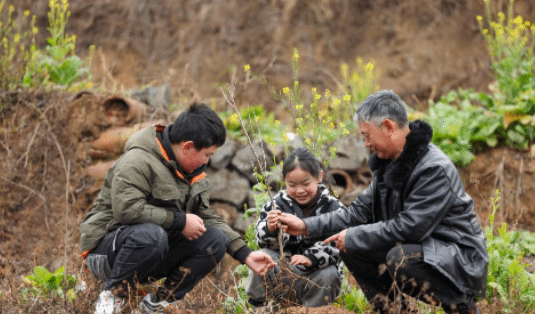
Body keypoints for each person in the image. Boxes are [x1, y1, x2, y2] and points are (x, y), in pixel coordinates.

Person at [276, 90, 487, 314]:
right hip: (426, 247)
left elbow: (410, 228)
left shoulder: (433, 169)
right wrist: (306, 226)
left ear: (388, 127)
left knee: (400, 257)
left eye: (367, 135)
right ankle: (394, 311)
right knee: (353, 248)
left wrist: (355, 235)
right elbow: (354, 214)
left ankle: (463, 308)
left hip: (458, 255)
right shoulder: (389, 165)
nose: (366, 144)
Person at [80, 103, 276, 314]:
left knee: (214, 239)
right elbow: (127, 210)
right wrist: (180, 220)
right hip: (106, 252)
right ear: (187, 147)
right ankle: (112, 297)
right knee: (152, 235)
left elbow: (207, 217)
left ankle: (158, 305)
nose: (207, 161)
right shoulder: (137, 161)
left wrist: (244, 254)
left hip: (151, 251)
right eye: (207, 154)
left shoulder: (191, 172)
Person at [246, 147, 344, 308]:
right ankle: (259, 307)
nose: (299, 191)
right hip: (283, 272)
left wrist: (312, 258)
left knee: (330, 273)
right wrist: (270, 229)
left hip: (315, 275)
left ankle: (313, 310)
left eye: (306, 184)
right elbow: (261, 242)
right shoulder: (275, 204)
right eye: (292, 184)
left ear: (319, 177)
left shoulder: (333, 207)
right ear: (284, 181)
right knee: (261, 256)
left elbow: (339, 244)